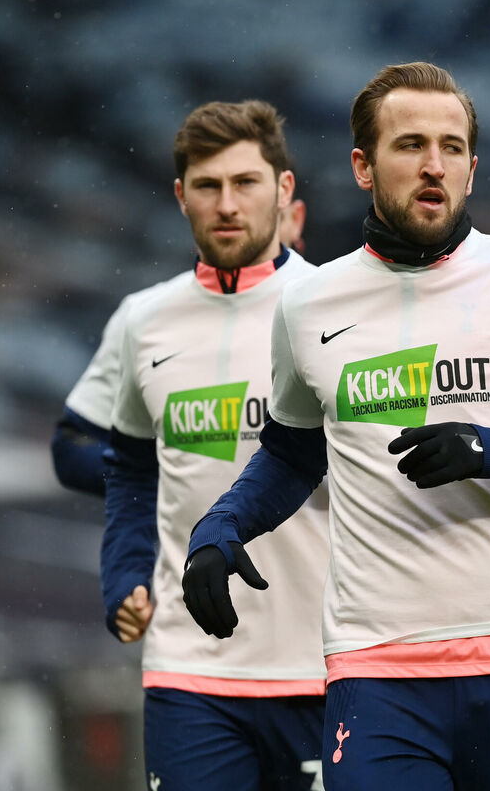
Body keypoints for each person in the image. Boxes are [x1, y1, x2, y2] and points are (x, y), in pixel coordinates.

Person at [180, 61, 490, 791]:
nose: (434, 164)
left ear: (472, 168)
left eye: (452, 147)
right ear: (363, 166)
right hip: (376, 672)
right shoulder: (309, 305)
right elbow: (290, 454)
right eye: (410, 145)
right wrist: (220, 528)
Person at [91, 100, 329, 790]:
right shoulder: (142, 321)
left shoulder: (334, 306)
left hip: (325, 665)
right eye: (207, 185)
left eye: (245, 182)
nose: (227, 204)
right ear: (180, 195)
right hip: (189, 675)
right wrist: (124, 576)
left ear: (283, 190)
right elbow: (130, 470)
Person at [50, 174, 309, 495]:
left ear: (293, 217)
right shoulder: (145, 315)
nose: (235, 216)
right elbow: (73, 445)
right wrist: (170, 478)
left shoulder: (333, 313)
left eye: (262, 209)